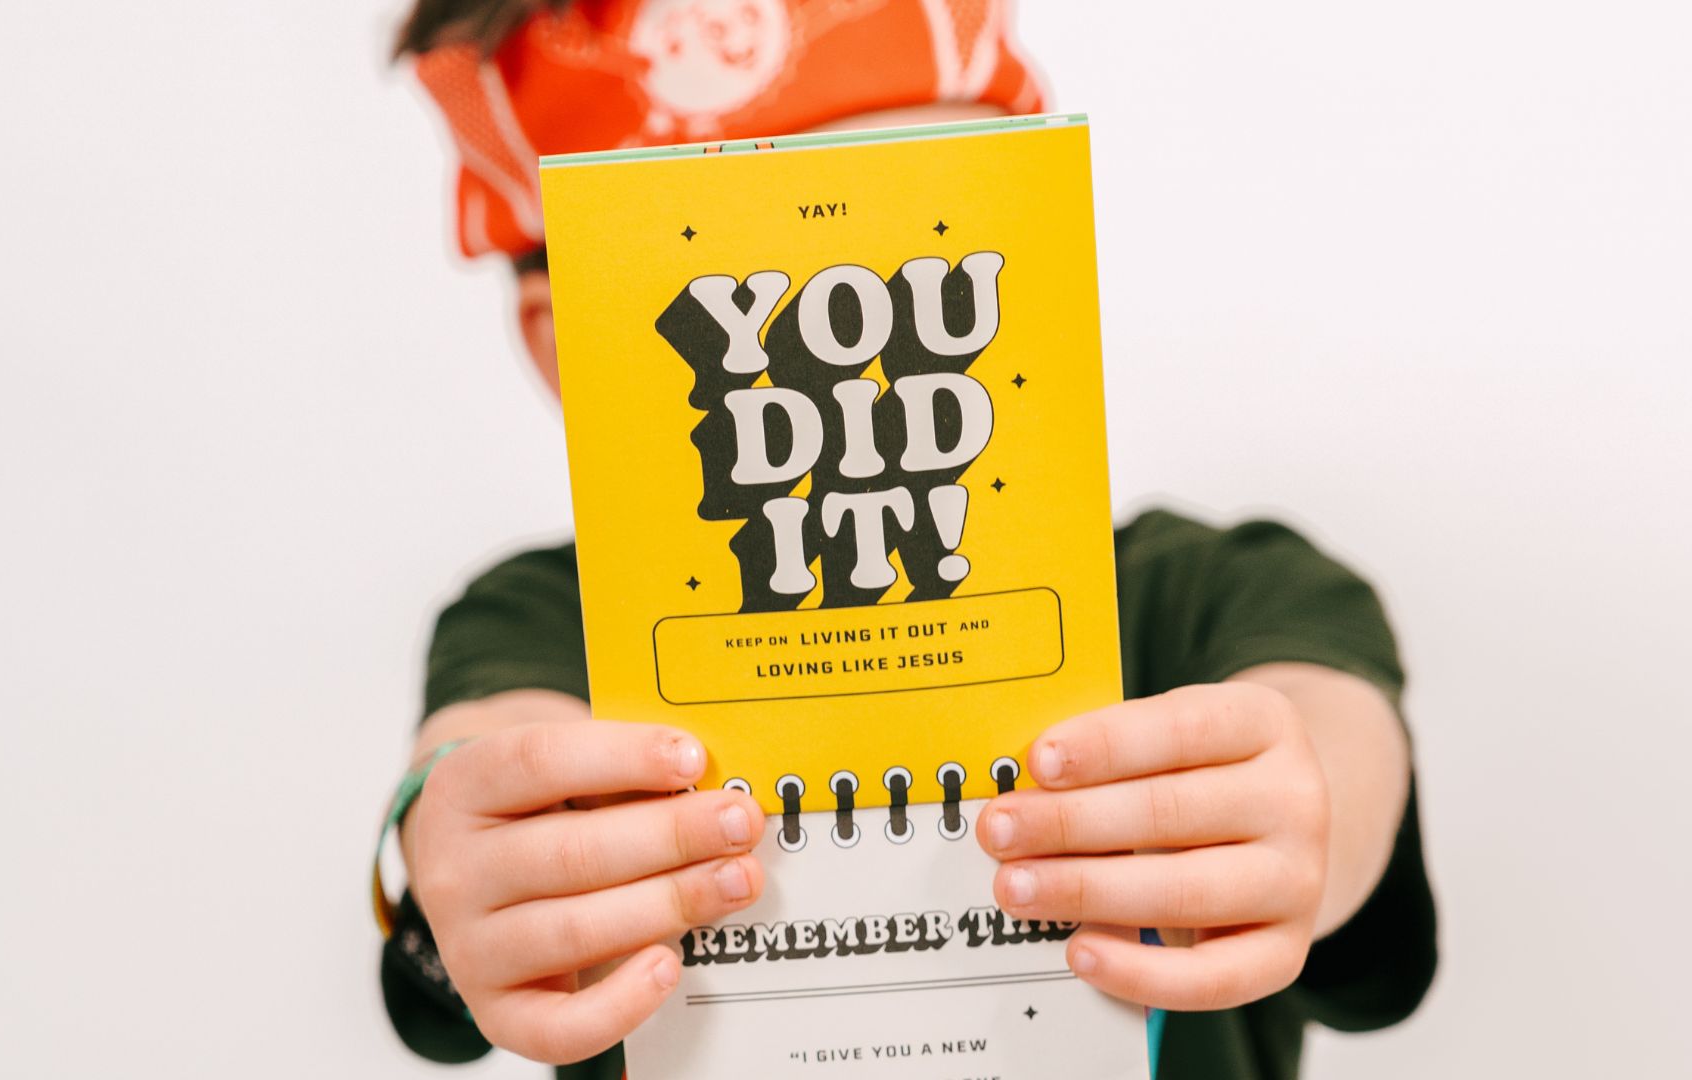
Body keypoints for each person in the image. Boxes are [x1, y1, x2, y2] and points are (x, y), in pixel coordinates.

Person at [374, 3, 1437, 1078]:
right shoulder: (540, 620)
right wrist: (455, 841)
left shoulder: (1223, 589)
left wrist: (1301, 817)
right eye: (767, 278)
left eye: (930, 237)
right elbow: (488, 740)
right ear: (568, 345)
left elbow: (1329, 726)